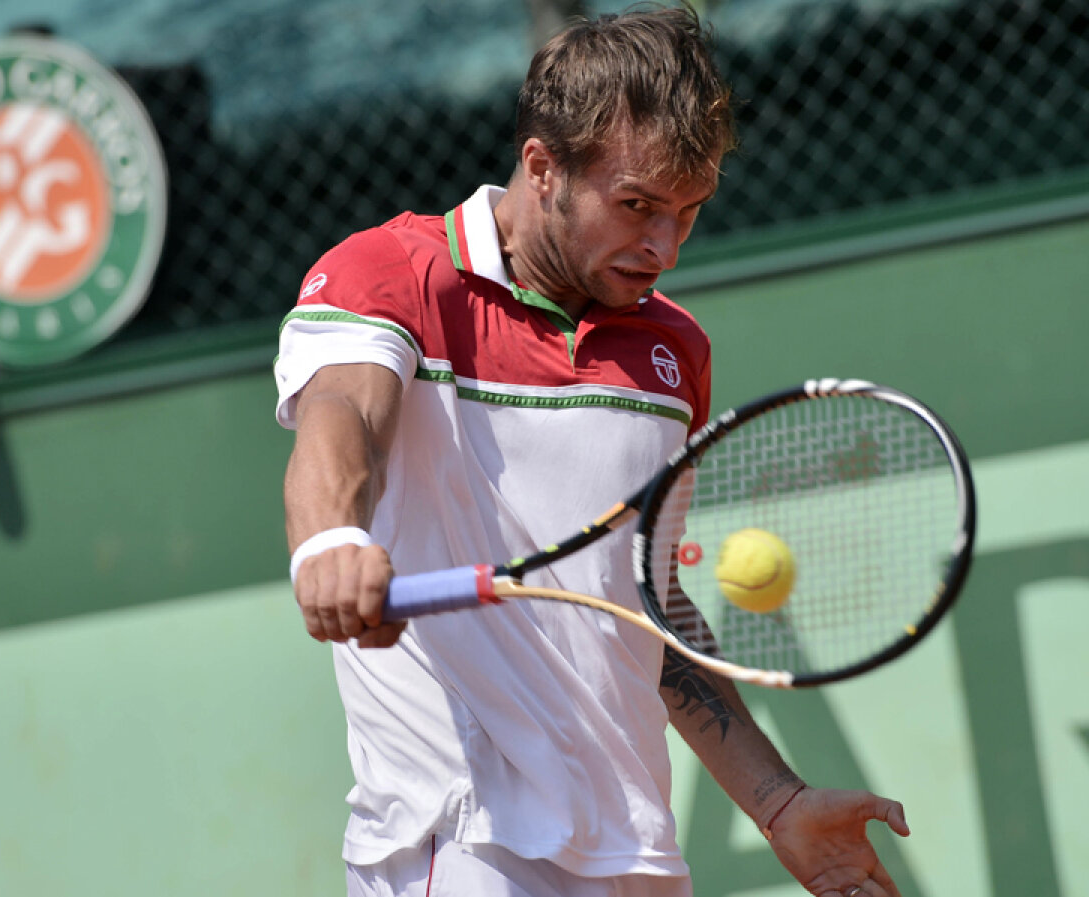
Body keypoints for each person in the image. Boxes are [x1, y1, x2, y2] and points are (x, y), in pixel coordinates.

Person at [276, 6, 910, 896]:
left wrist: (777, 801)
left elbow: (645, 603)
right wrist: (331, 542)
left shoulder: (674, 353)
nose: (664, 247)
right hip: (466, 840)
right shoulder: (393, 274)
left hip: (635, 854)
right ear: (543, 167)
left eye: (688, 213)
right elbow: (343, 410)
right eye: (637, 206)